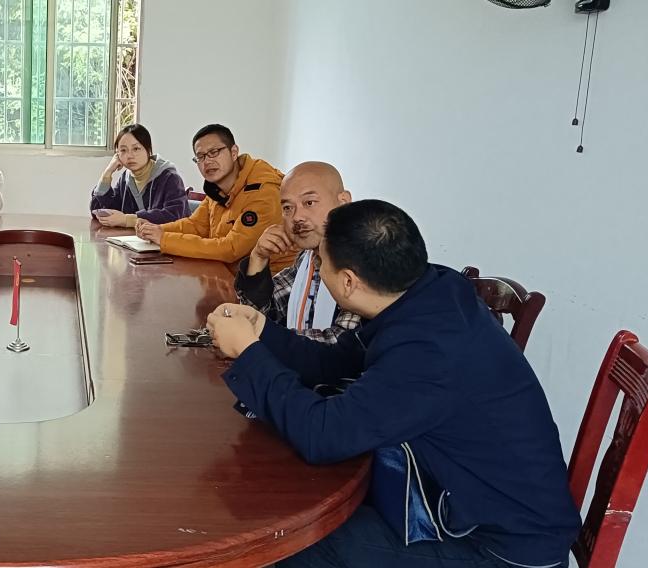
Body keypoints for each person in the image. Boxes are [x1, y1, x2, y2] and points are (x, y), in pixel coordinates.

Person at [205, 200, 580, 568]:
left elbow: (323, 435)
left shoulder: (429, 351)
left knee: (295, 540)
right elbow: (335, 362)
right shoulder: (430, 291)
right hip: (459, 500)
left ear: (348, 282)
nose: (316, 266)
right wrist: (263, 332)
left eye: (320, 261)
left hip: (502, 548)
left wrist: (249, 353)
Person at [234, 161, 361, 343]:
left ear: (343, 202)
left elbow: (339, 345)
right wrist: (258, 258)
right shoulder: (308, 258)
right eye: (288, 208)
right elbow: (263, 311)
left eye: (309, 203)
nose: (296, 217)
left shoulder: (363, 259)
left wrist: (256, 331)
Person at [135, 124, 294, 270]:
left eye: (214, 152)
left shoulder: (264, 193)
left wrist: (164, 239)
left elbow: (231, 249)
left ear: (233, 152)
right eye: (201, 156)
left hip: (266, 283)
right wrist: (156, 229)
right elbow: (196, 225)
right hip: (224, 271)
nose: (207, 162)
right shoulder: (217, 189)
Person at [90, 123, 187, 227]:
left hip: (170, 236)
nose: (130, 155)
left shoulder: (170, 178)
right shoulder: (126, 178)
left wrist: (127, 220)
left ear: (148, 150)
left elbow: (174, 216)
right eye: (123, 150)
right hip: (134, 237)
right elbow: (100, 211)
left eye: (136, 149)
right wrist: (106, 174)